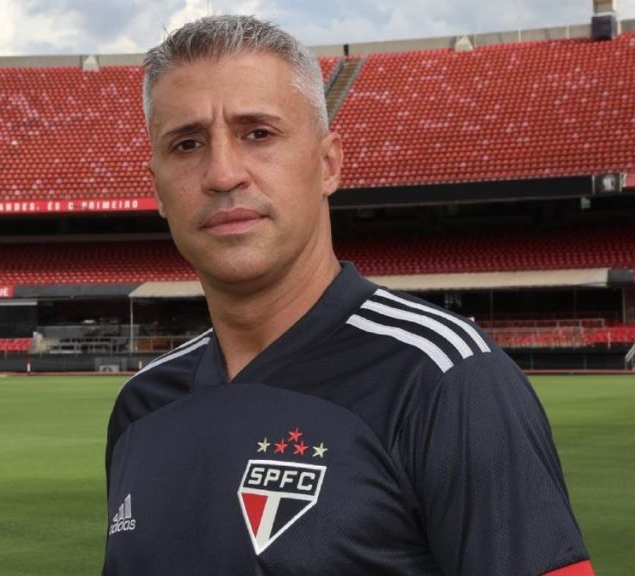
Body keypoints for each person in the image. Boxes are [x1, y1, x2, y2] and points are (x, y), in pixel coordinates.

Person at [104, 14, 594, 576]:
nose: (222, 173)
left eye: (258, 134)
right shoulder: (142, 406)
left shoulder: (444, 379)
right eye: (187, 143)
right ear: (158, 189)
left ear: (328, 163)